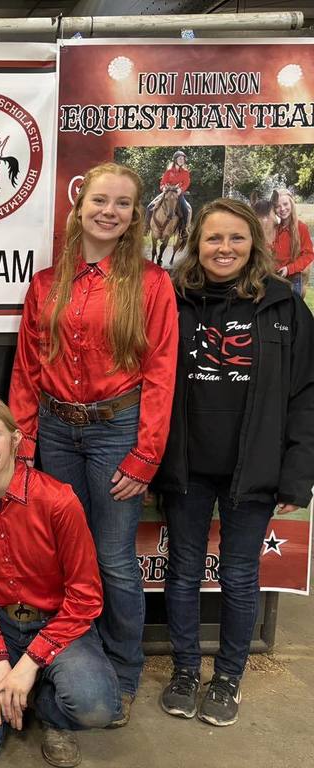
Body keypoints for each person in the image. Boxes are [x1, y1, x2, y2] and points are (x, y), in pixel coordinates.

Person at [9, 162, 178, 725]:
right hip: (56, 431)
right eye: (100, 201)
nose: (110, 212)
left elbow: (160, 371)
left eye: (123, 204)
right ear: (79, 208)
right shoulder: (46, 284)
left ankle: (123, 673)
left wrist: (146, 452)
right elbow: (28, 368)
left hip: (116, 432)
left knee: (113, 559)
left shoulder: (152, 285)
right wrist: (23, 439)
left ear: (134, 218)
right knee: (63, 558)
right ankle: (72, 661)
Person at [154, 198, 314, 727]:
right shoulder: (171, 300)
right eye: (213, 239)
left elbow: (305, 395)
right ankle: (183, 670)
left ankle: (227, 678)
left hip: (256, 470)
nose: (225, 249)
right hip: (185, 467)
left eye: (236, 239)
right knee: (182, 572)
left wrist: (297, 472)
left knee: (241, 577)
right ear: (196, 243)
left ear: (254, 244)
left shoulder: (284, 306)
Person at [0, 397, 119, 768]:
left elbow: (86, 598)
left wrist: (27, 665)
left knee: (96, 706)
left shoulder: (57, 500)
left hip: (58, 622)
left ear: (15, 438)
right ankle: (18, 687)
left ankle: (47, 706)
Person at [270, 188, 314, 297]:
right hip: (274, 278)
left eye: (285, 204)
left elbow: (308, 254)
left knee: (292, 312)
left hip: (293, 280)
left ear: (291, 204)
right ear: (274, 209)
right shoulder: (274, 229)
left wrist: (289, 269)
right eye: (278, 206)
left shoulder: (301, 228)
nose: (282, 209)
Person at [145, 149, 192, 240]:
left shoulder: (185, 173)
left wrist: (181, 190)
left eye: (183, 159)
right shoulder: (169, 171)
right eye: (180, 158)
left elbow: (186, 183)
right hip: (166, 194)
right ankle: (146, 227)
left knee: (186, 210)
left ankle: (183, 231)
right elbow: (162, 182)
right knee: (149, 207)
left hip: (178, 194)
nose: (182, 160)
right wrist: (163, 188)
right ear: (175, 160)